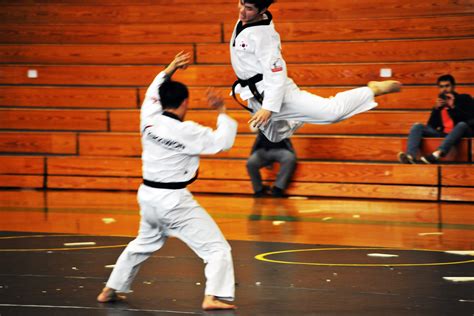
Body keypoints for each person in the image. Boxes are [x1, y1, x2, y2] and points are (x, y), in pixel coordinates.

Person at [97, 52, 238, 311]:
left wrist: (171, 67)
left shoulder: (148, 117)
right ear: (185, 103)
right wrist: (221, 110)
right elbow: (223, 142)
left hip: (148, 196)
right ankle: (214, 295)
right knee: (217, 248)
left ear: (160, 101)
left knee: (143, 243)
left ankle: (110, 289)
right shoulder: (188, 131)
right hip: (173, 201)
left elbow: (153, 89)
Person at [230, 0, 402, 143]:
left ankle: (372, 90)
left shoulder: (265, 37)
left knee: (331, 112)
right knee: (275, 136)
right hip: (253, 94)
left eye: (249, 8)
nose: (242, 11)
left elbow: (276, 73)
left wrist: (268, 107)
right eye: (241, 3)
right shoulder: (246, 22)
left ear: (263, 10)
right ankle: (300, 115)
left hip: (275, 92)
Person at [398, 75, 474, 164]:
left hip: (463, 132)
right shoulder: (440, 104)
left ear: (453, 87)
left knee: (462, 124)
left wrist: (452, 107)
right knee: (417, 126)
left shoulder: (464, 98)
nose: (444, 89)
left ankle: (437, 153)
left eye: (447, 86)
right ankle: (410, 156)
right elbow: (431, 126)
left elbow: (470, 120)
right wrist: (436, 109)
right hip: (444, 134)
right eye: (441, 87)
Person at [247, 131, 296, 197]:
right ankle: (258, 190)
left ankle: (278, 188)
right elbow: (253, 128)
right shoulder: (261, 121)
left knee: (290, 158)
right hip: (263, 150)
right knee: (251, 162)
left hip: (281, 149)